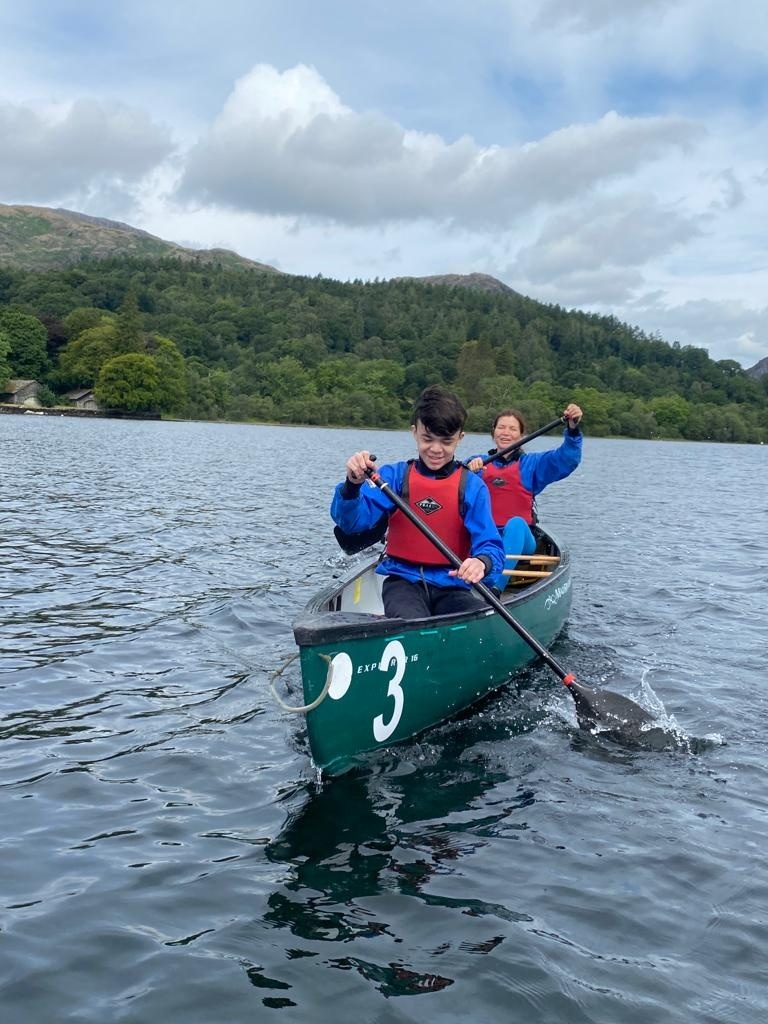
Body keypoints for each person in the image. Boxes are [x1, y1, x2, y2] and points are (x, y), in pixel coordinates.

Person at [331, 386, 504, 619]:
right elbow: (351, 524)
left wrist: (482, 563)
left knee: (482, 619)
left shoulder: (472, 486)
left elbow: (491, 545)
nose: (435, 449)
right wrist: (352, 484)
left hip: (452, 586)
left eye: (446, 441)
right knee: (412, 620)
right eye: (427, 439)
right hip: (403, 583)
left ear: (460, 438)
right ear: (415, 432)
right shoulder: (393, 477)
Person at [466, 403, 583, 590]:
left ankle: (494, 588)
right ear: (493, 432)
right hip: (484, 538)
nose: (506, 432)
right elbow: (450, 483)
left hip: (522, 541)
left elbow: (566, 458)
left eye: (513, 429)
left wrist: (573, 429)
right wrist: (468, 473)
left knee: (516, 524)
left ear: (521, 435)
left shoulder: (532, 464)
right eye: (501, 427)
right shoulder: (476, 464)